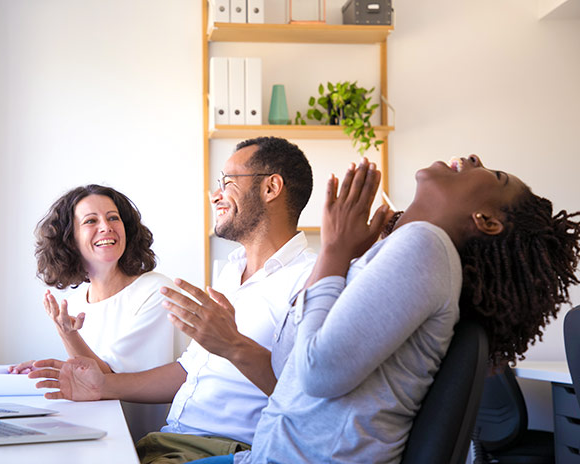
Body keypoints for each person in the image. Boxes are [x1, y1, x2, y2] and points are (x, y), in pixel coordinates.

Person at [183, 154, 580, 464]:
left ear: (487, 221)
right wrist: (342, 256)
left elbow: (317, 373)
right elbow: (289, 367)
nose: (474, 158)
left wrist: (336, 250)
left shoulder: (426, 246)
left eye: (495, 176)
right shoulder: (394, 252)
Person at [29, 136, 318, 463]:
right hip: (170, 440)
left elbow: (307, 398)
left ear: (271, 187)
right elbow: (186, 370)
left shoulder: (311, 281)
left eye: (227, 182)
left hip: (226, 449)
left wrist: (232, 344)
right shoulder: (230, 273)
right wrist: (102, 387)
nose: (215, 195)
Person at [8, 184, 189, 439]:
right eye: (91, 220)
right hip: (100, 431)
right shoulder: (77, 302)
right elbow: (88, 380)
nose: (106, 227)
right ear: (70, 240)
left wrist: (68, 335)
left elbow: (108, 380)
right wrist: (42, 372)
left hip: (146, 443)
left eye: (113, 218)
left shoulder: (156, 291)